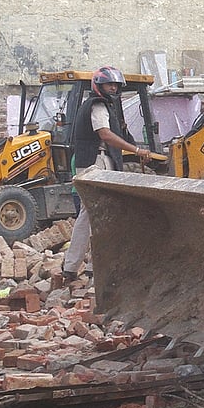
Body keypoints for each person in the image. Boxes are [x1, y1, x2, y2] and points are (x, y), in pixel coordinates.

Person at [62, 65, 150, 281]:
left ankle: (76, 267)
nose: (113, 88)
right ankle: (90, 267)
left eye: (115, 85)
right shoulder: (98, 105)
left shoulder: (102, 106)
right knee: (98, 213)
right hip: (97, 163)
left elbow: (118, 134)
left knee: (90, 214)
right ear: (99, 86)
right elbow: (105, 134)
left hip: (95, 162)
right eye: (109, 84)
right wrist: (137, 150)